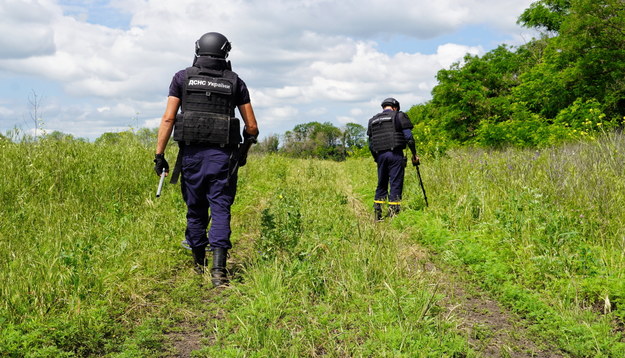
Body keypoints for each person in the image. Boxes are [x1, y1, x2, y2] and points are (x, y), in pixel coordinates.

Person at [153, 32, 259, 287]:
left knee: (196, 208)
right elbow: (252, 126)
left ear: (198, 50)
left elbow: (168, 119)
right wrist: (244, 148)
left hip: (191, 155)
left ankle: (198, 264)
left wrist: (159, 155)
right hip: (223, 157)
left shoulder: (182, 77)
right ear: (225, 52)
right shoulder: (235, 82)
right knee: (221, 208)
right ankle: (219, 272)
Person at [366, 97, 418, 221]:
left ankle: (378, 211)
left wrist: (376, 158)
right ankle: (393, 212)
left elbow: (370, 144)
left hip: (380, 156)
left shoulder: (372, 120)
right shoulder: (399, 116)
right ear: (395, 107)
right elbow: (409, 138)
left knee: (382, 183)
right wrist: (414, 154)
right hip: (395, 154)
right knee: (396, 182)